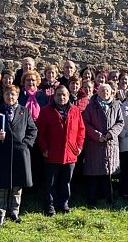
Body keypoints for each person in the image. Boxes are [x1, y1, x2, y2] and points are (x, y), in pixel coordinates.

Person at [0, 85, 37, 225]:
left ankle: (14, 212)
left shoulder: (25, 111)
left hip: (20, 153)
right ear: (4, 96)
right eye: (8, 94)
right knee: (2, 185)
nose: (10, 97)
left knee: (17, 185)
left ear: (17, 96)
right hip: (1, 152)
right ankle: (0, 213)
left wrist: (26, 143)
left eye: (13, 94)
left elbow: (32, 130)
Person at [36, 86, 85, 216]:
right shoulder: (46, 111)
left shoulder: (75, 111)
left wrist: (79, 146)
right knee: (51, 182)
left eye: (64, 95)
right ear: (54, 96)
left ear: (68, 96)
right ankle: (50, 206)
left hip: (70, 153)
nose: (61, 97)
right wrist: (44, 149)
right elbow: (40, 133)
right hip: (52, 153)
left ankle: (64, 203)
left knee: (66, 181)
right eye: (58, 95)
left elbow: (81, 130)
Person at [83, 84, 124, 205]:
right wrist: (97, 135)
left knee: (108, 171)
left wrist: (111, 133)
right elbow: (85, 122)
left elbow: (120, 122)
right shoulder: (91, 106)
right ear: (98, 92)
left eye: (107, 91)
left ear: (111, 92)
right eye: (102, 91)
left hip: (110, 142)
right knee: (93, 171)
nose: (105, 93)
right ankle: (92, 198)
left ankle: (107, 197)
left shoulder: (116, 105)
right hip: (94, 143)